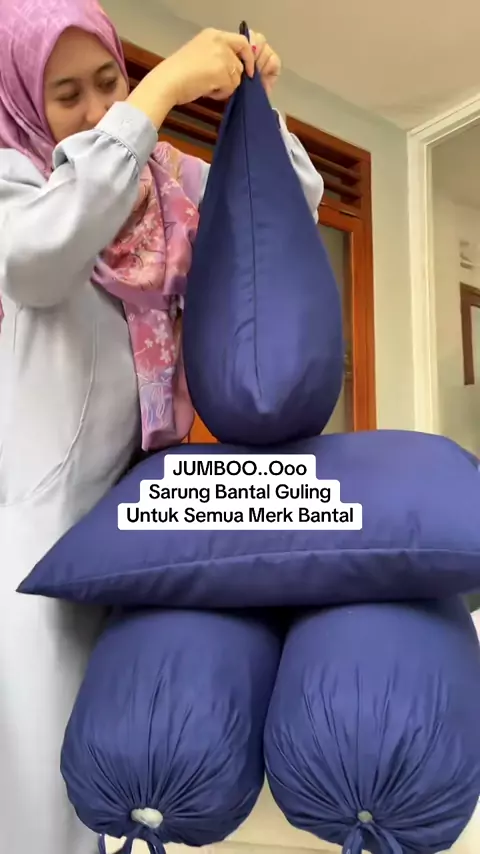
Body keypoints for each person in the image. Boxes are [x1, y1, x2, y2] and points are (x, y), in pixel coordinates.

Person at [0, 1, 324, 853]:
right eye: (66, 94)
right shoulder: (19, 185)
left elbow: (282, 207)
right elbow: (37, 262)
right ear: (24, 99)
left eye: (109, 80)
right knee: (36, 780)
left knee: (124, 759)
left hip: (132, 514)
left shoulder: (165, 182)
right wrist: (160, 89)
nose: (97, 109)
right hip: (30, 526)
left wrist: (256, 105)